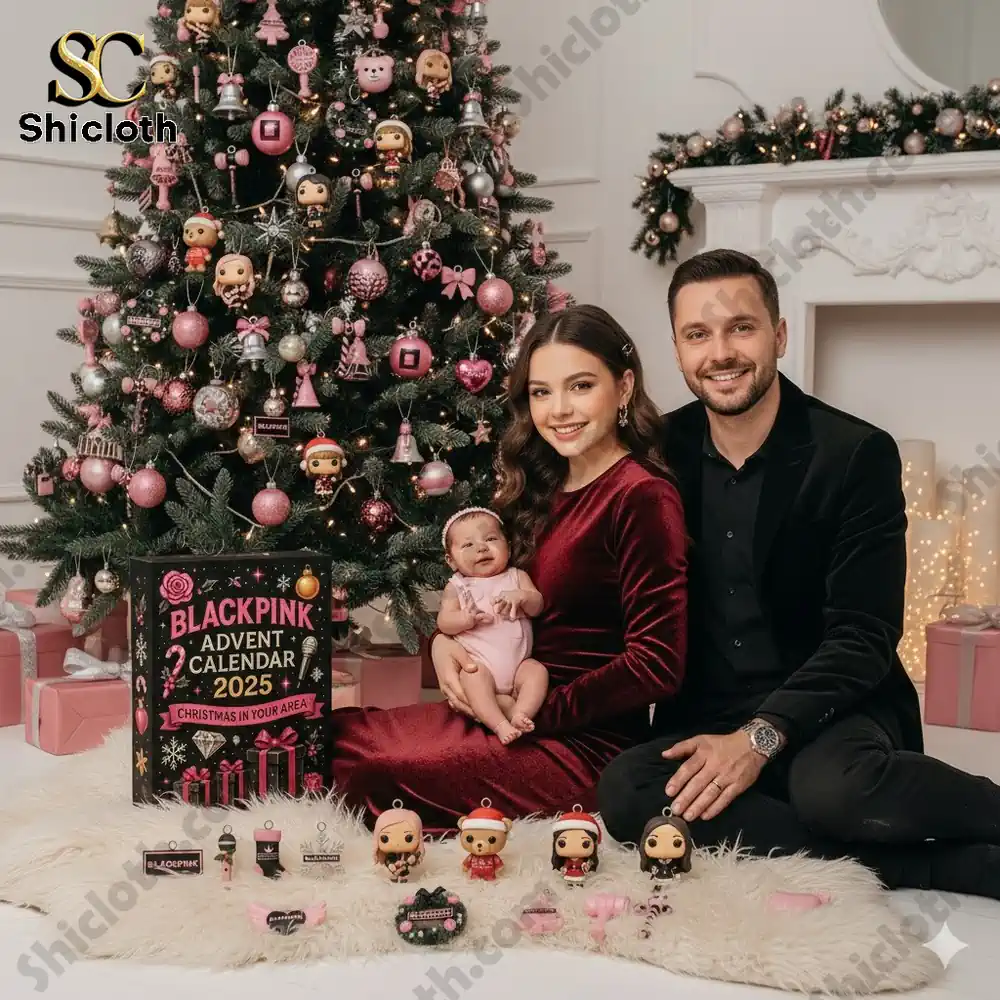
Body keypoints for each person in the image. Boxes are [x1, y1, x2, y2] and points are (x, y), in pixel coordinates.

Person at [597, 248, 1000, 898]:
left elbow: (863, 637)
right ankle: (935, 868)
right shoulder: (653, 458)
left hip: (836, 706)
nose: (720, 352)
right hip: (708, 711)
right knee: (625, 793)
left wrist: (758, 740)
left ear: (779, 335)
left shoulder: (855, 454)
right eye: (698, 334)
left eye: (741, 327)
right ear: (676, 350)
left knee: (832, 792)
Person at [330, 305, 688, 834]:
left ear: (625, 385)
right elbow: (484, 603)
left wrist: (529, 711)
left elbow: (657, 664)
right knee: (337, 732)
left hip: (580, 740)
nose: (559, 410)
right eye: (541, 392)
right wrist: (444, 650)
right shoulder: (540, 487)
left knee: (371, 765)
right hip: (503, 709)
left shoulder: (641, 496)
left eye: (580, 386)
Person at [437, 507, 548, 745]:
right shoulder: (457, 586)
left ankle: (521, 713)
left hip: (519, 665)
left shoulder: (516, 576)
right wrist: (465, 620)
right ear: (451, 560)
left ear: (507, 545)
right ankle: (499, 724)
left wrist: (523, 597)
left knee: (537, 671)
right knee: (472, 678)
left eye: (490, 539)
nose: (481, 547)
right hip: (481, 665)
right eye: (468, 545)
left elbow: (537, 604)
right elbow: (444, 622)